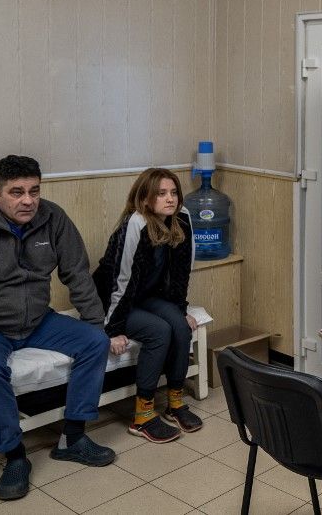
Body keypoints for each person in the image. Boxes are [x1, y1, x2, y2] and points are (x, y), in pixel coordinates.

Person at [0, 155, 115, 501]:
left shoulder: (53, 217)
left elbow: (77, 272)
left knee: (94, 342)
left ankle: (72, 437)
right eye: (16, 192)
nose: (28, 200)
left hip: (38, 320)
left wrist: (96, 324)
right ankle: (14, 456)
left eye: (34, 191)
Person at [93, 168, 203, 442]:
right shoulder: (135, 223)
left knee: (179, 326)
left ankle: (175, 403)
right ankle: (142, 416)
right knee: (159, 331)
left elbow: (181, 273)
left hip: (148, 297)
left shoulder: (183, 219)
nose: (170, 199)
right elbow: (121, 280)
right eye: (161, 194)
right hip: (112, 300)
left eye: (174, 192)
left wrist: (181, 308)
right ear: (145, 198)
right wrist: (112, 328)